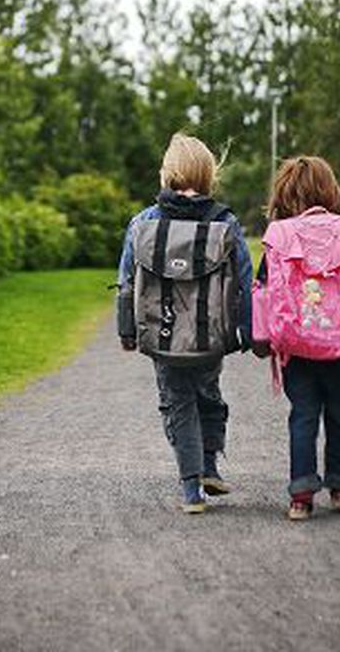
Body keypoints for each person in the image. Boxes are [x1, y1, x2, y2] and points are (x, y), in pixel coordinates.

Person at [117, 132, 253, 513]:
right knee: (208, 394)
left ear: (167, 173)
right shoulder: (224, 222)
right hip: (210, 335)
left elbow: (127, 280)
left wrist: (126, 330)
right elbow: (245, 276)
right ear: (209, 174)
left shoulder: (144, 223)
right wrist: (248, 329)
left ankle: (192, 489)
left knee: (176, 401)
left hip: (162, 335)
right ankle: (210, 465)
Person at [254, 156, 340, 521]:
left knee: (303, 416)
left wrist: (263, 340)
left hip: (296, 345)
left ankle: (301, 495)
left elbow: (263, 290)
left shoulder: (278, 235)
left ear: (284, 193)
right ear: (330, 190)